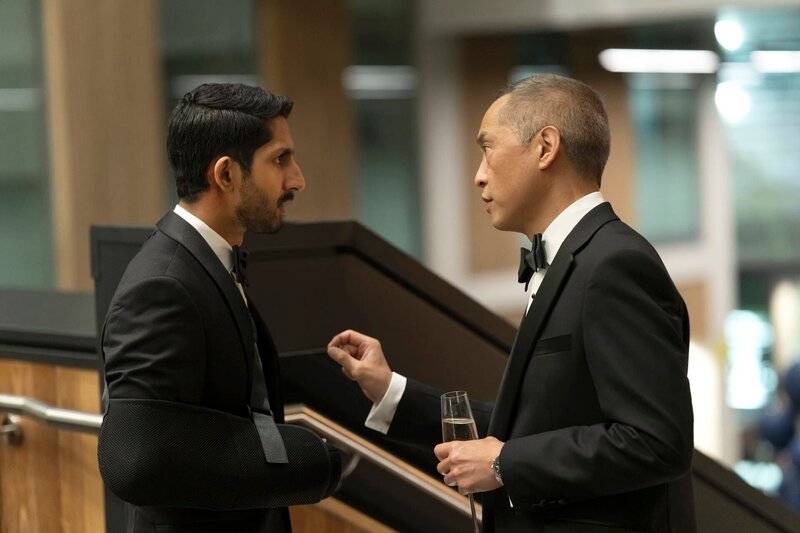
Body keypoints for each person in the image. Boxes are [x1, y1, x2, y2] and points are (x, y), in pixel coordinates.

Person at [328, 74, 695, 532]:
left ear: (545, 148)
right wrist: (390, 391)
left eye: (488, 149)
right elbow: (530, 428)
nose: (478, 175)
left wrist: (505, 463)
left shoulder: (614, 264)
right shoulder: (578, 259)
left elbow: (656, 442)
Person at [99, 83, 341, 533]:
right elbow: (137, 459)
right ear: (226, 175)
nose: (297, 179)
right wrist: (309, 461)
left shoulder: (205, 261)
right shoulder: (161, 285)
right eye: (280, 159)